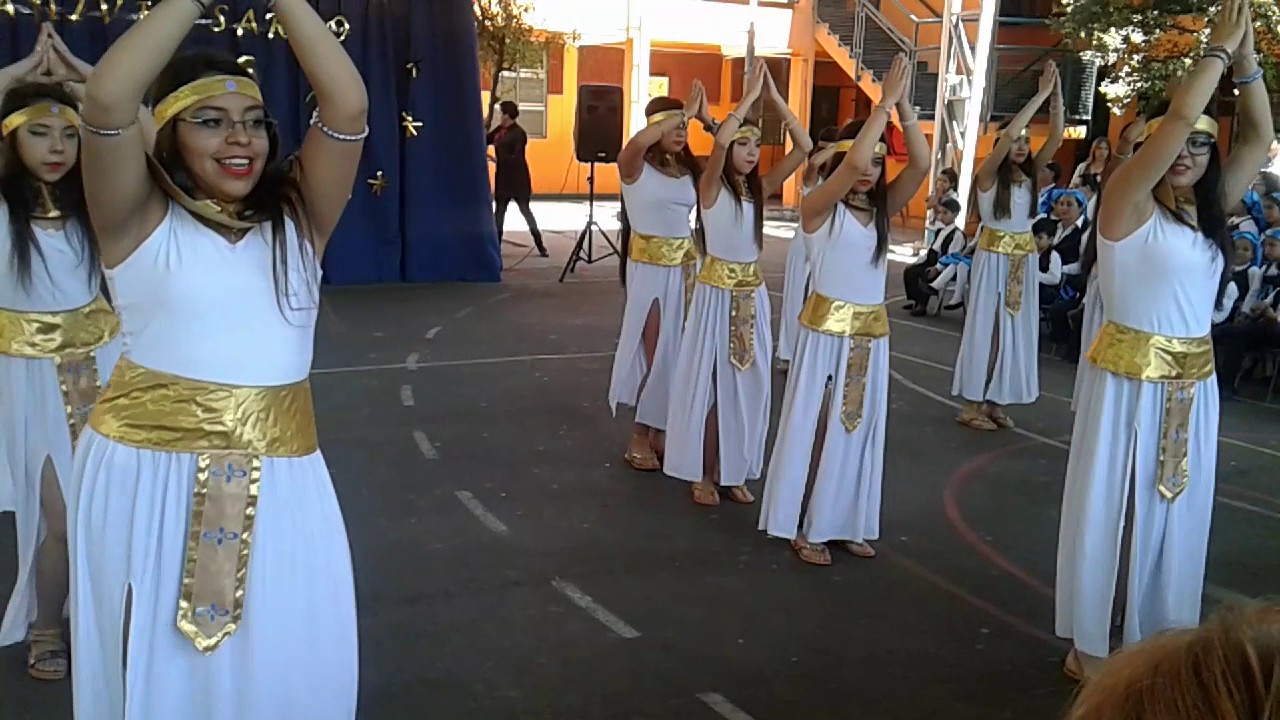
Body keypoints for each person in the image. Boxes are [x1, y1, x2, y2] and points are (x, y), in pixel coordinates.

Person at [68, 0, 368, 716]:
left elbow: (348, 104)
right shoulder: (136, 220)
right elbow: (108, 101)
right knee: (160, 678)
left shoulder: (300, 221)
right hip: (147, 478)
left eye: (253, 121)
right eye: (210, 121)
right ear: (168, 138)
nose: (240, 139)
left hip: (286, 485)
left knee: (283, 663)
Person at [1054, 0, 1273, 682]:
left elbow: (1260, 138)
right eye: (1177, 143)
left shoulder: (1207, 215)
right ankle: (1089, 646)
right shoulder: (1127, 201)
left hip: (1192, 386)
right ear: (1146, 149)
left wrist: (1247, 63)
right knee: (1105, 507)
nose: (1188, 151)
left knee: (1177, 511)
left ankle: (1157, 638)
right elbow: (1179, 118)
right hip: (1125, 380)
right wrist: (1213, 48)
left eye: (1203, 145)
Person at [758, 55, 930, 565]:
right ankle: (806, 521)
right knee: (817, 422)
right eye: (863, 158)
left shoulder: (877, 210)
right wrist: (880, 109)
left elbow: (919, 164)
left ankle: (846, 517)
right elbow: (853, 165)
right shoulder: (818, 205)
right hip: (824, 332)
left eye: (880, 162)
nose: (870, 169)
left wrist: (904, 113)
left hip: (869, 336)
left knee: (858, 425)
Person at [0, 25, 125, 683]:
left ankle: (102, 621)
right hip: (29, 382)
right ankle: (48, 622)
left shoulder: (99, 203)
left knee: (110, 512)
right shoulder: (3, 212)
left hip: (107, 374)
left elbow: (144, 133)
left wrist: (86, 79)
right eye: (38, 131)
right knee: (61, 515)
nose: (57, 147)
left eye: (69, 132)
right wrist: (21, 73)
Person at [664, 61, 812, 506]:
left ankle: (733, 471)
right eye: (742, 144)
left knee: (748, 386)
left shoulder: (759, 189)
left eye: (756, 144)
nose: (751, 151)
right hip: (714, 296)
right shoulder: (710, 186)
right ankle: (704, 473)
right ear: (725, 150)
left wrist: (775, 100)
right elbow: (722, 139)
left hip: (751, 297)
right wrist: (746, 98)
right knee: (712, 385)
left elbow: (803, 145)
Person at [951, 61, 1064, 431]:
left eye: (1025, 142)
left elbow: (1058, 137)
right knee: (987, 327)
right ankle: (971, 403)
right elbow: (1007, 135)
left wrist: (1057, 97)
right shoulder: (986, 177)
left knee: (1015, 331)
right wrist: (1039, 95)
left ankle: (997, 399)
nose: (1022, 145)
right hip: (993, 257)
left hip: (1023, 260)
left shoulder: (1031, 177)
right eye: (1016, 141)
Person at [607, 82, 710, 471]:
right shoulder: (634, 167)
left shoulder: (685, 169)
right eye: (674, 126)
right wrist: (678, 116)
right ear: (656, 127)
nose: (683, 132)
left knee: (679, 353)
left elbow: (724, 173)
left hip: (687, 269)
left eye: (685, 127)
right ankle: (639, 435)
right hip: (650, 273)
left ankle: (662, 429)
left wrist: (706, 121)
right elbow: (633, 144)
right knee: (655, 353)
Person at [487, 99, 547, 257]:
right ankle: (495, 248)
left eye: (501, 113)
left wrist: (497, 159)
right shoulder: (500, 131)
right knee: (499, 213)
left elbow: (517, 156)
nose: (500, 117)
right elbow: (486, 139)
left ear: (507, 115)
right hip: (503, 178)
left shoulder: (519, 133)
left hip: (517, 178)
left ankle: (540, 244)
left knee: (526, 211)